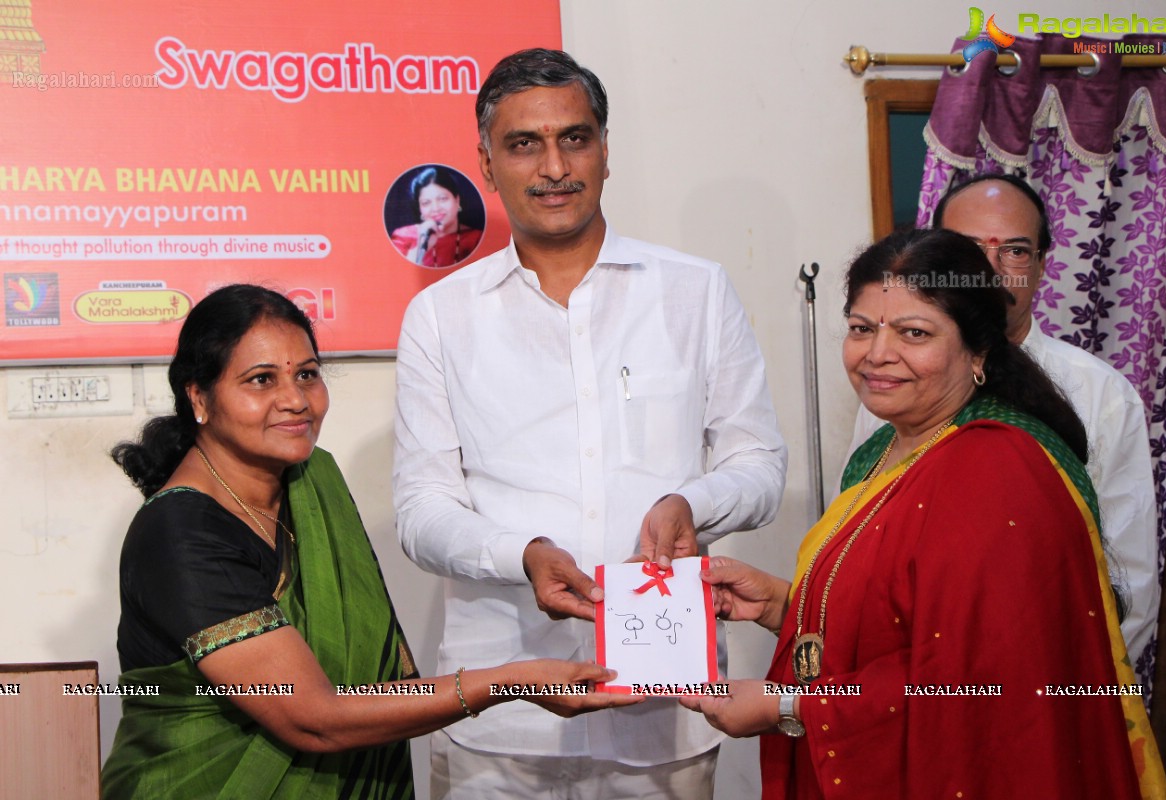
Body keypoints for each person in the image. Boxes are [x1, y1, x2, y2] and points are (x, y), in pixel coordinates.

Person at [393, 49, 787, 798]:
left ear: (606, 150)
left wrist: (691, 505)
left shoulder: (694, 292)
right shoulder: (440, 317)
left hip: (663, 704)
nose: (554, 167)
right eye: (523, 144)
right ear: (486, 161)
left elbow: (760, 464)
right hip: (501, 721)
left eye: (574, 138)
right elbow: (421, 511)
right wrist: (522, 554)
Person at [681, 229, 1166, 798]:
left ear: (977, 351)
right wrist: (787, 604)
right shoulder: (885, 448)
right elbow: (917, 615)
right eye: (862, 328)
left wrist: (789, 704)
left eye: (914, 333)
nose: (877, 353)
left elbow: (981, 681)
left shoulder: (997, 469)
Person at [103, 284, 633, 799]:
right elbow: (313, 719)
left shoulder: (310, 487)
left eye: (307, 374)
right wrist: (509, 682)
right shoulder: (180, 533)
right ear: (199, 396)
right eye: (261, 379)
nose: (295, 400)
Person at [847, 174, 1160, 685]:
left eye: (1013, 251)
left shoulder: (1100, 395)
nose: (987, 272)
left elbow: (1128, 588)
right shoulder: (893, 383)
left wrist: (1064, 709)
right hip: (897, 692)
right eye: (967, 252)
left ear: (1040, 265)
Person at [391, 166, 484, 268]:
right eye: (426, 203)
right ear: (420, 208)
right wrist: (421, 245)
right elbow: (397, 275)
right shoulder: (403, 236)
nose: (435, 208)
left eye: (442, 199)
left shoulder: (477, 239)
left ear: (457, 200)